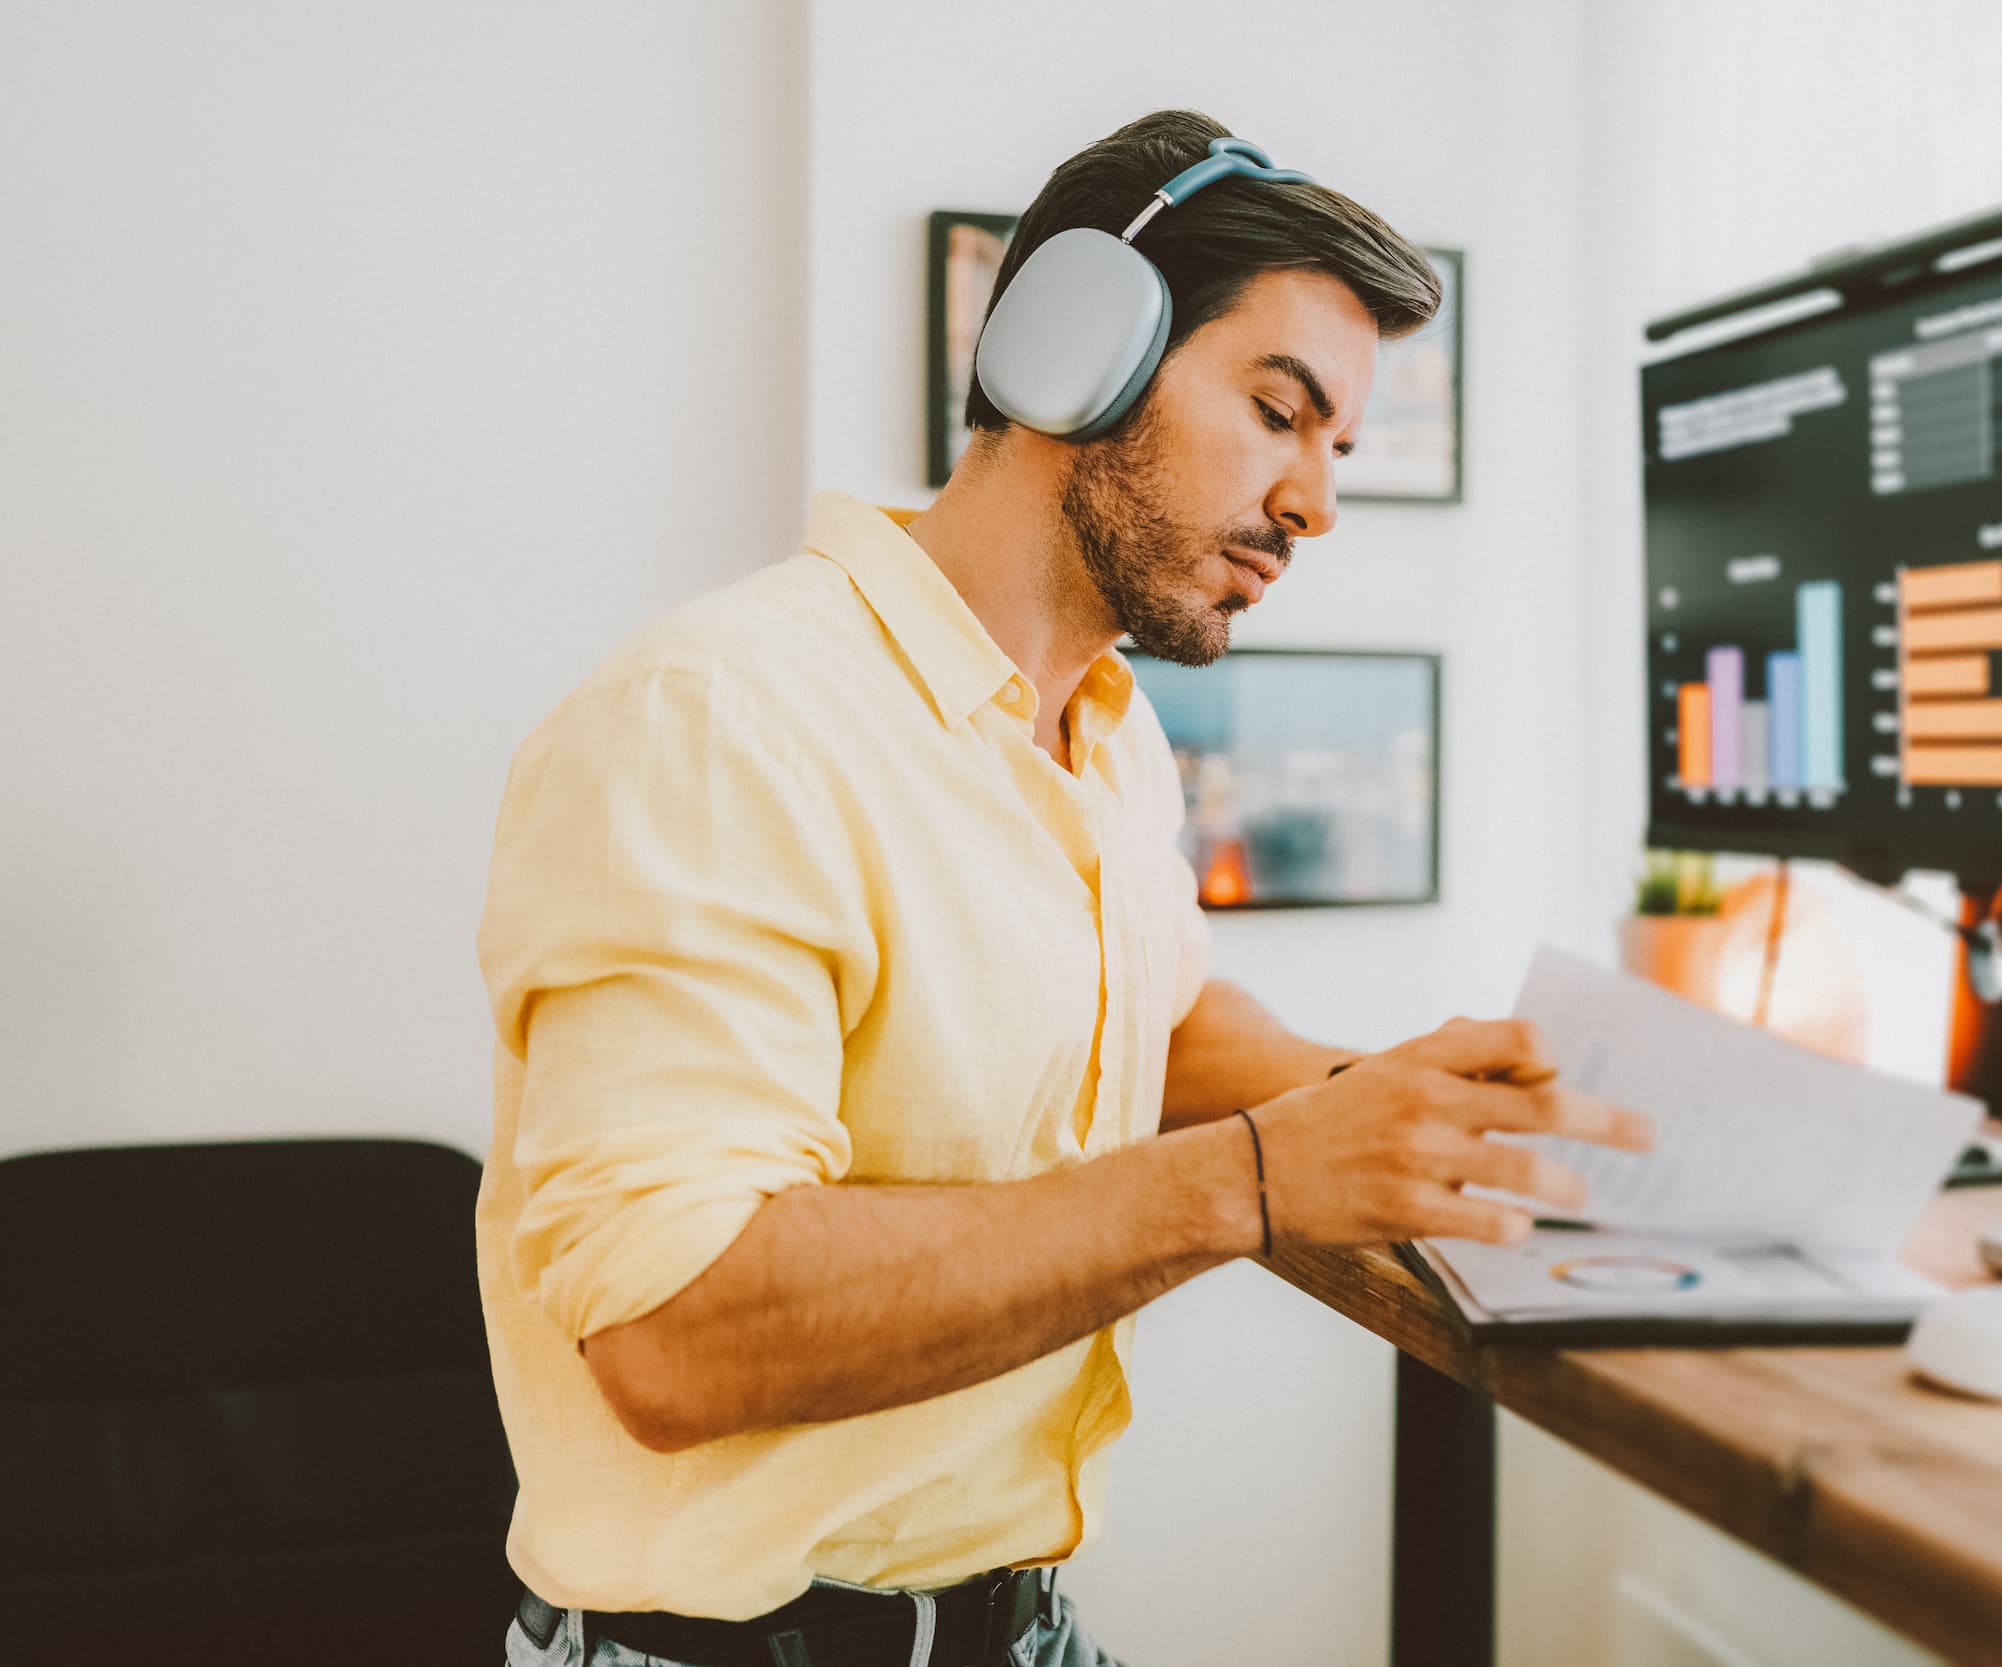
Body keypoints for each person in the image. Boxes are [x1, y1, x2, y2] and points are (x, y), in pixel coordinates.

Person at [475, 108, 1647, 1667]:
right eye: (1279, 412)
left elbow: (1150, 1019)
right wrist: (1255, 1179)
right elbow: (675, 1330)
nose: (1318, 507)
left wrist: (1387, 1104)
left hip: (1016, 1629)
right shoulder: (720, 720)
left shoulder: (1105, 734)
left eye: (1338, 448)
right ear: (1073, 352)